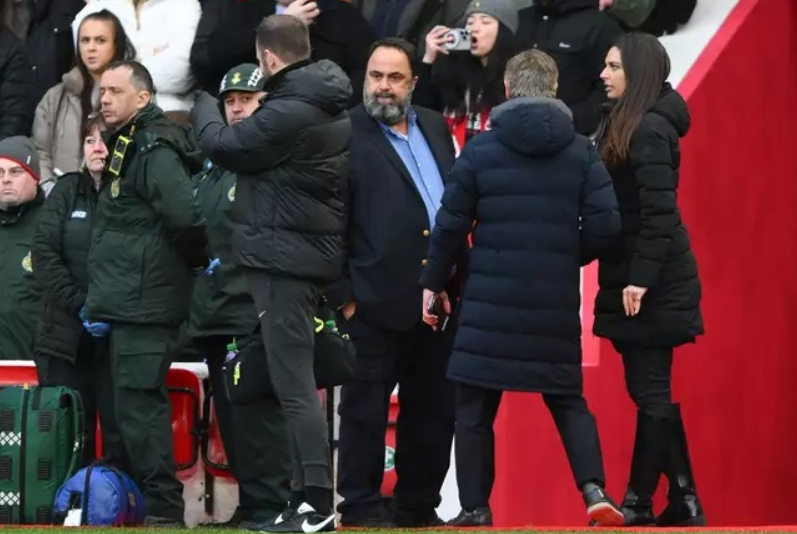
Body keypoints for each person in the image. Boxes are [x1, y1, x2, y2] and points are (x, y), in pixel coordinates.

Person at [419, 49, 624, 527]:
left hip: (488, 307)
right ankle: (594, 489)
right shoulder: (580, 150)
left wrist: (433, 282)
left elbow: (450, 225)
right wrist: (568, 254)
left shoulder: (481, 150)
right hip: (550, 304)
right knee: (568, 400)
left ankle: (474, 509)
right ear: (553, 91)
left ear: (508, 90)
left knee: (472, 408)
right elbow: (607, 223)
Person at [190, 14, 351, 532]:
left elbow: (225, 146)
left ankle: (316, 506)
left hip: (284, 261)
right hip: (296, 257)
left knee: (294, 385)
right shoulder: (316, 101)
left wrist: (201, 107)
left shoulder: (290, 110)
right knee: (292, 382)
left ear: (268, 58)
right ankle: (304, 498)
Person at [327, 38, 465, 529]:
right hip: (370, 303)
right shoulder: (343, 131)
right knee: (364, 415)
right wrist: (345, 300)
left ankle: (417, 507)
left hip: (440, 302)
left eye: (394, 78)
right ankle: (360, 509)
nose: (383, 87)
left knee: (433, 413)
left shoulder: (433, 124)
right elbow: (329, 224)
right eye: (375, 76)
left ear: (413, 82)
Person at [84, 59, 211, 527]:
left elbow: (185, 217)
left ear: (144, 98)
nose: (105, 99)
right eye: (102, 91)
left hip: (145, 304)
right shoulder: (128, 144)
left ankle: (164, 511)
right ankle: (146, 503)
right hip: (127, 301)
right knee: (128, 410)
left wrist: (195, 261)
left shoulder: (154, 147)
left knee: (140, 409)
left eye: (116, 91)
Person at [594, 32, 705, 527]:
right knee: (651, 391)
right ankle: (683, 499)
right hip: (638, 275)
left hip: (652, 280)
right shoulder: (625, 122)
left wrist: (638, 280)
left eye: (614, 66)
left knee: (650, 391)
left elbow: (659, 213)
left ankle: (639, 501)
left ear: (636, 73)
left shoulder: (649, 130)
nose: (604, 73)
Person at [187, 63, 292, 529]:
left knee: (257, 416)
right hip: (212, 308)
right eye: (229, 102)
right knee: (231, 418)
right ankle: (252, 503)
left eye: (245, 101)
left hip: (249, 309)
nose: (236, 109)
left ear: (265, 105)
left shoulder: (269, 158)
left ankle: (271, 504)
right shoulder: (214, 165)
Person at [30, 113, 127, 468]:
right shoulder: (66, 190)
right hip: (64, 335)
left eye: (106, 140)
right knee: (68, 433)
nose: (98, 148)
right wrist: (81, 305)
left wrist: (108, 308)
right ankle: (68, 507)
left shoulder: (133, 192)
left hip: (119, 332)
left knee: (121, 433)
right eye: (90, 141)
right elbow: (43, 253)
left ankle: (121, 506)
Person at [32, 9, 135, 190]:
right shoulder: (55, 97)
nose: (91, 48)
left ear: (116, 44)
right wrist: (49, 189)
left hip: (115, 204)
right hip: (60, 200)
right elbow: (40, 150)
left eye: (100, 40)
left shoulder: (135, 96)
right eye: (85, 40)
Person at [413, 0, 518, 151]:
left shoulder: (514, 78)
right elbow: (419, 115)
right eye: (469, 22)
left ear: (503, 30)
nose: (474, 29)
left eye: (485, 22)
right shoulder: (452, 75)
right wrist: (428, 59)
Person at [515, 0, 622, 135]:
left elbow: (608, 89)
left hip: (573, 136)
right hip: (515, 129)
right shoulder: (522, 18)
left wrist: (566, 121)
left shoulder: (601, 25)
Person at [0, 136, 44, 360]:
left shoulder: (52, 224)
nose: (6, 180)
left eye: (15, 172)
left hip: (30, 365)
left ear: (35, 177)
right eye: (0, 173)